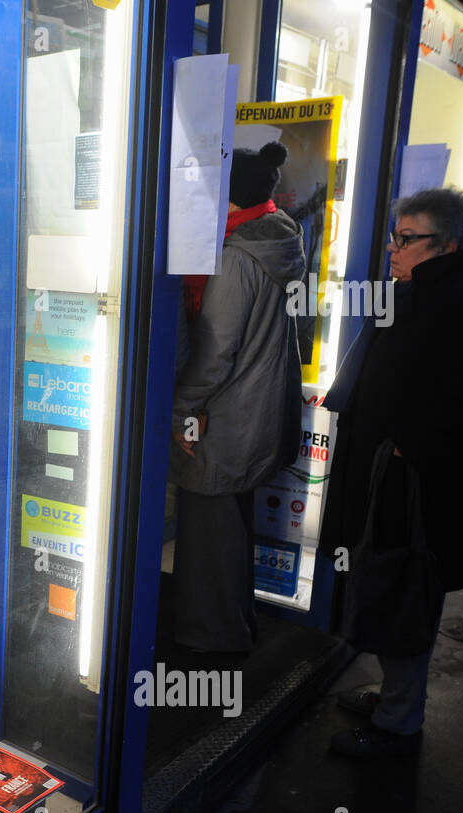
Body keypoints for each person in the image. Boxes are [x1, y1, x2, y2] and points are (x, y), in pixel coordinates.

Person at [321, 188, 463, 757]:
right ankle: (392, 694)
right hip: (386, 474)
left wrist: (413, 449)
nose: (393, 248)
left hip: (415, 486)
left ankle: (398, 722)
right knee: (386, 582)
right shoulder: (421, 293)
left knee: (407, 589)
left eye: (407, 239)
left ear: (448, 245)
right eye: (394, 236)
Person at [171, 142, 306, 652]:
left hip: (223, 421)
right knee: (231, 529)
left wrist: (181, 412)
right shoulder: (282, 238)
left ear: (227, 201)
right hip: (259, 415)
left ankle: (212, 642)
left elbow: (213, 354)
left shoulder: (235, 258)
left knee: (209, 537)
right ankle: (236, 626)